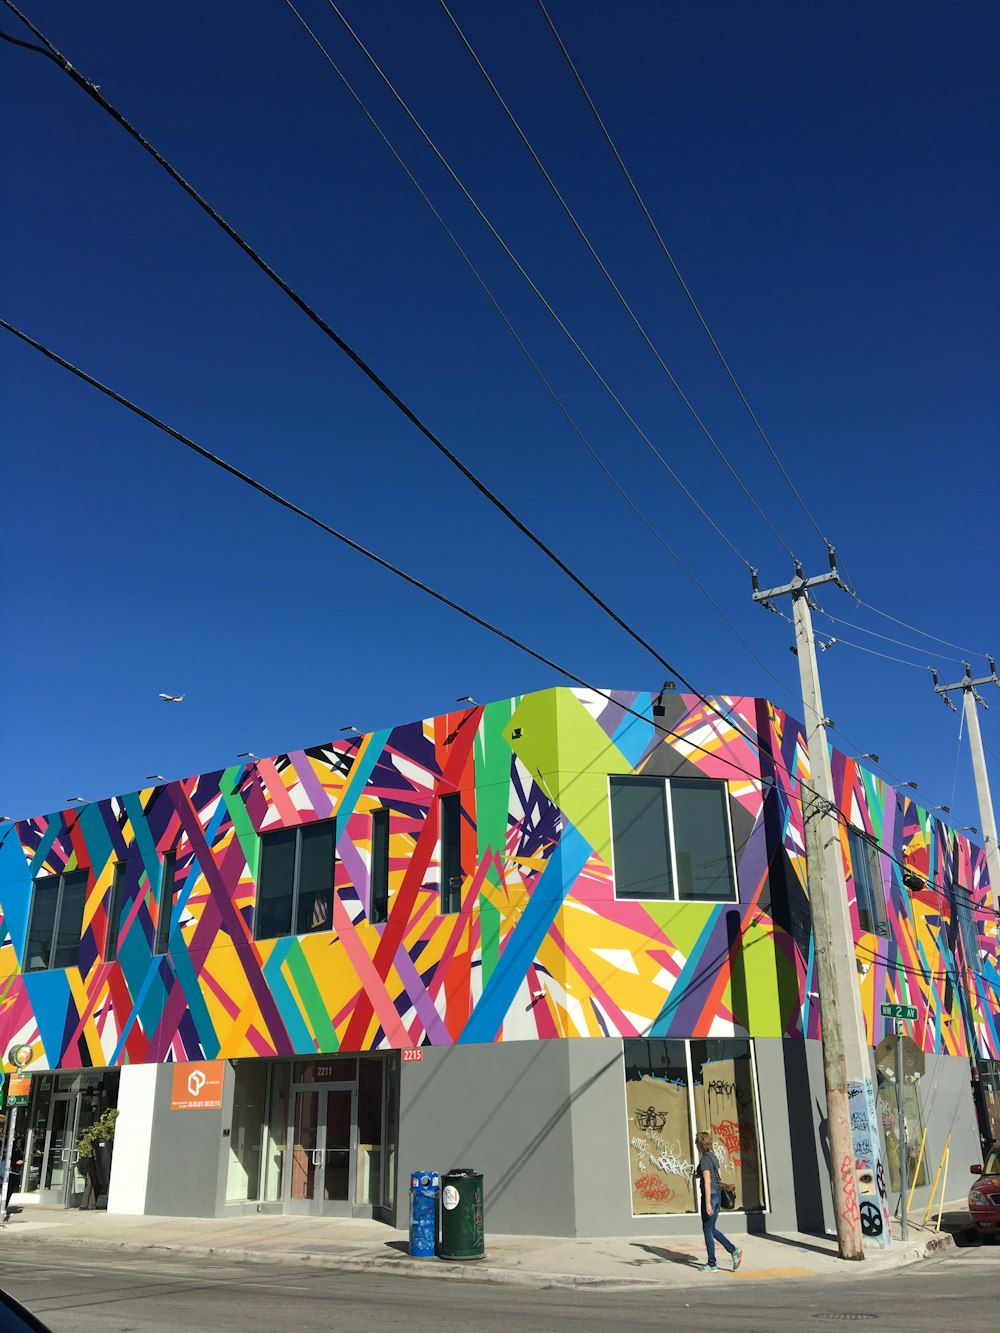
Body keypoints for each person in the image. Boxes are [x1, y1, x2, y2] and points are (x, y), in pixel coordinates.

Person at [694, 1130, 742, 1273]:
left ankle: (714, 1262)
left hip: (710, 1195)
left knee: (707, 1230)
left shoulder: (704, 1160)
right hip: (718, 1195)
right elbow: (719, 1177)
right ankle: (730, 1252)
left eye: (697, 1143)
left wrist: (707, 1202)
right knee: (711, 1228)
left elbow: (708, 1181)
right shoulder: (714, 1157)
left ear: (700, 1144)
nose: (696, 1145)